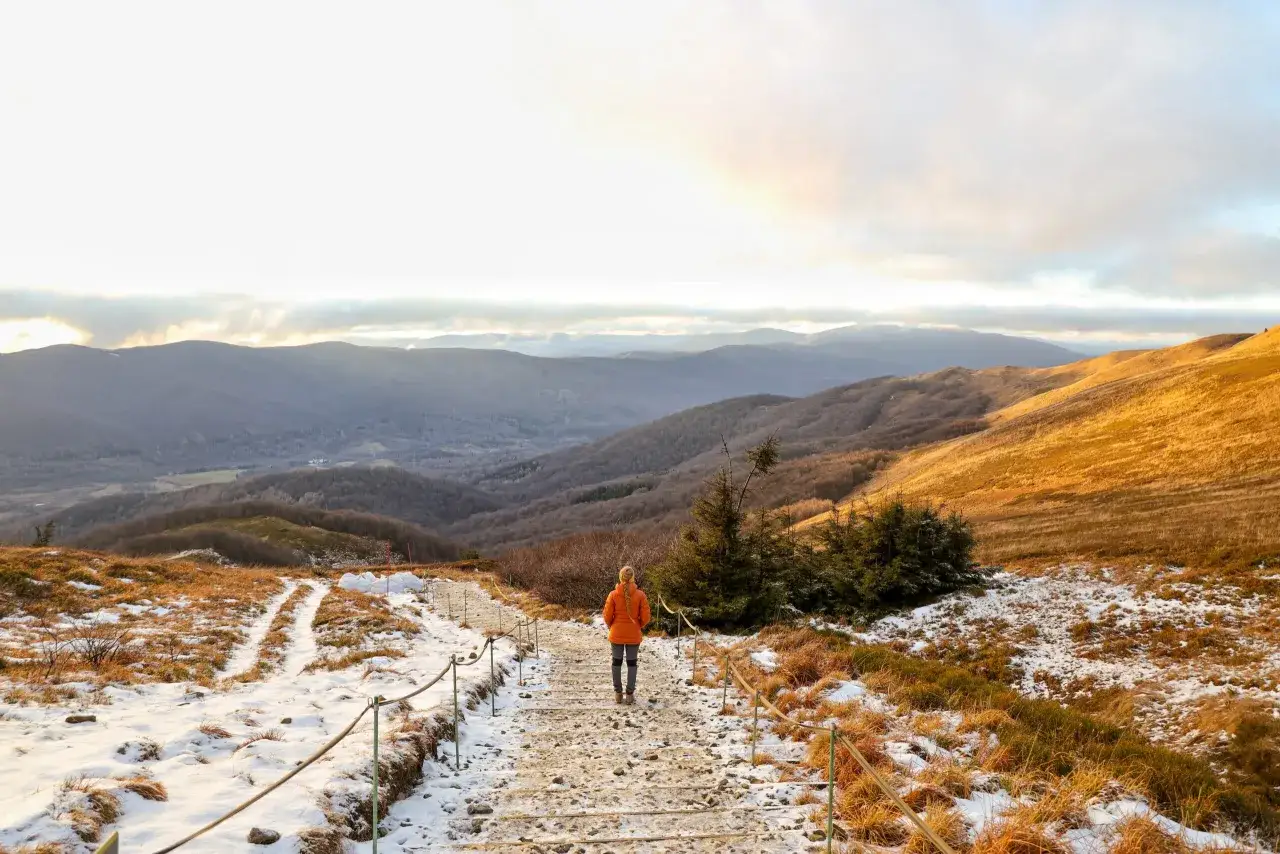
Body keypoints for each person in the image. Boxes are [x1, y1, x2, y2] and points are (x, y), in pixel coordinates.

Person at [602, 565, 651, 705]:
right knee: (632, 663)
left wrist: (613, 625)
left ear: (620, 577)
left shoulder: (613, 594)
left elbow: (607, 616)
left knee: (616, 662)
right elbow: (646, 617)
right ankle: (629, 694)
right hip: (633, 633)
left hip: (616, 633)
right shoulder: (640, 595)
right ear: (633, 577)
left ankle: (618, 693)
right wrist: (638, 625)